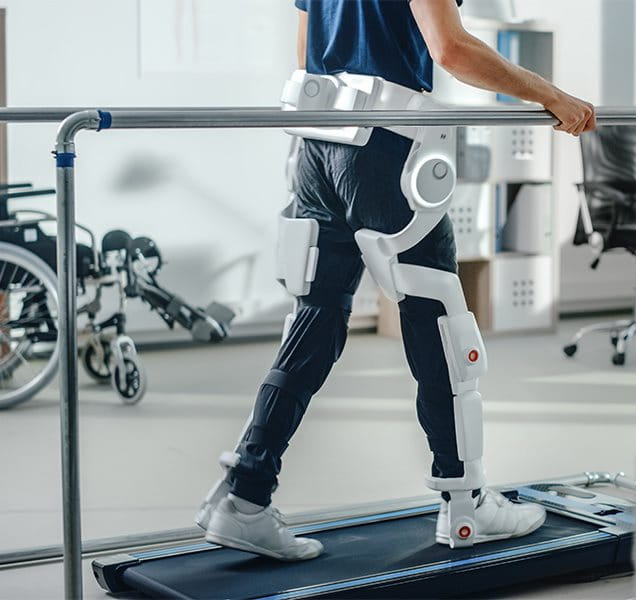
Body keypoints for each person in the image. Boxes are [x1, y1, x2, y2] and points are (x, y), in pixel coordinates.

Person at [202, 0, 597, 561]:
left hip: (318, 141)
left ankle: (244, 497)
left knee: (314, 319)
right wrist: (551, 96)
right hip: (386, 146)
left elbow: (306, 49)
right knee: (439, 320)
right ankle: (467, 503)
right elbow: (450, 48)